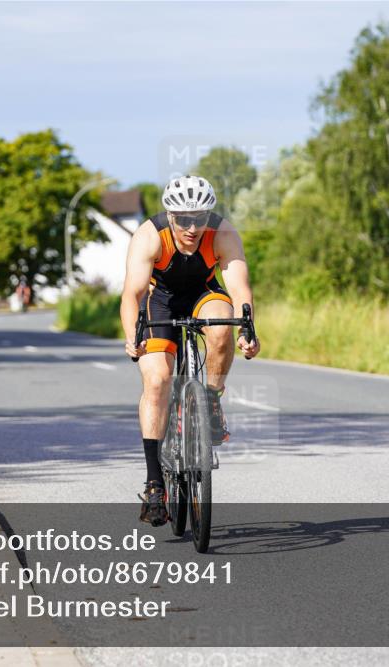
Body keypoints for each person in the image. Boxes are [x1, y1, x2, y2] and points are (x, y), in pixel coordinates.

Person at [121, 175, 261, 525]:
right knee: (157, 380)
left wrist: (247, 329)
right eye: (183, 219)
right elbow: (133, 293)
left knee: (221, 326)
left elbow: (239, 288)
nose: (192, 227)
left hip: (204, 294)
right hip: (161, 301)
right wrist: (131, 335)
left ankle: (210, 398)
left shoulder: (223, 233)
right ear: (170, 215)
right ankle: (155, 484)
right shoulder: (150, 235)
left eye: (199, 218)